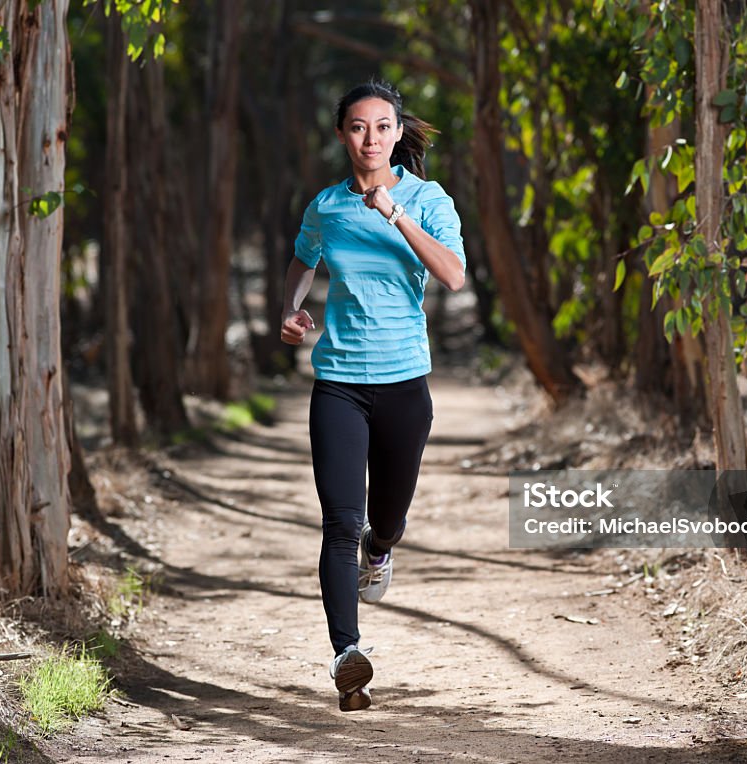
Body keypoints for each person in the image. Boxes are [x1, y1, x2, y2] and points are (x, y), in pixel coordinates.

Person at [280, 80, 466, 712]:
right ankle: (346, 655)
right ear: (342, 135)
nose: (370, 139)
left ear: (396, 133)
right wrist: (291, 308)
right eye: (358, 127)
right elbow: (304, 258)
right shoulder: (326, 207)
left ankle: (380, 551)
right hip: (338, 384)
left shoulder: (428, 198)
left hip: (405, 384)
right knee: (339, 521)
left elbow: (453, 275)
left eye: (382, 127)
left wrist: (396, 214)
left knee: (382, 522)